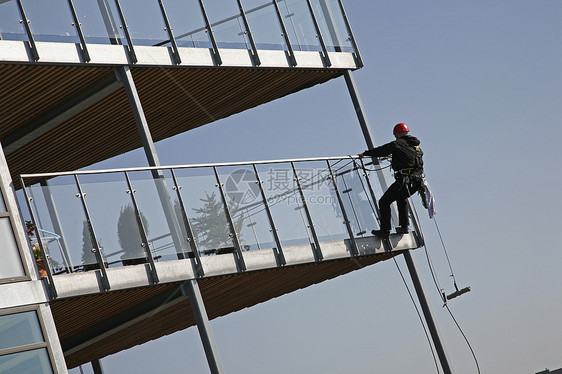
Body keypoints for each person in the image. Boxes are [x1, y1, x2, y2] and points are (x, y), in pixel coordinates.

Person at [358, 123, 423, 239]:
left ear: (398, 134)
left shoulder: (398, 144)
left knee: (384, 201)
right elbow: (408, 158)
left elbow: (381, 150)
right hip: (417, 182)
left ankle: (385, 231)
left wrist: (365, 154)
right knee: (401, 198)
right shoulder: (415, 147)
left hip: (405, 180)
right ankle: (404, 227)